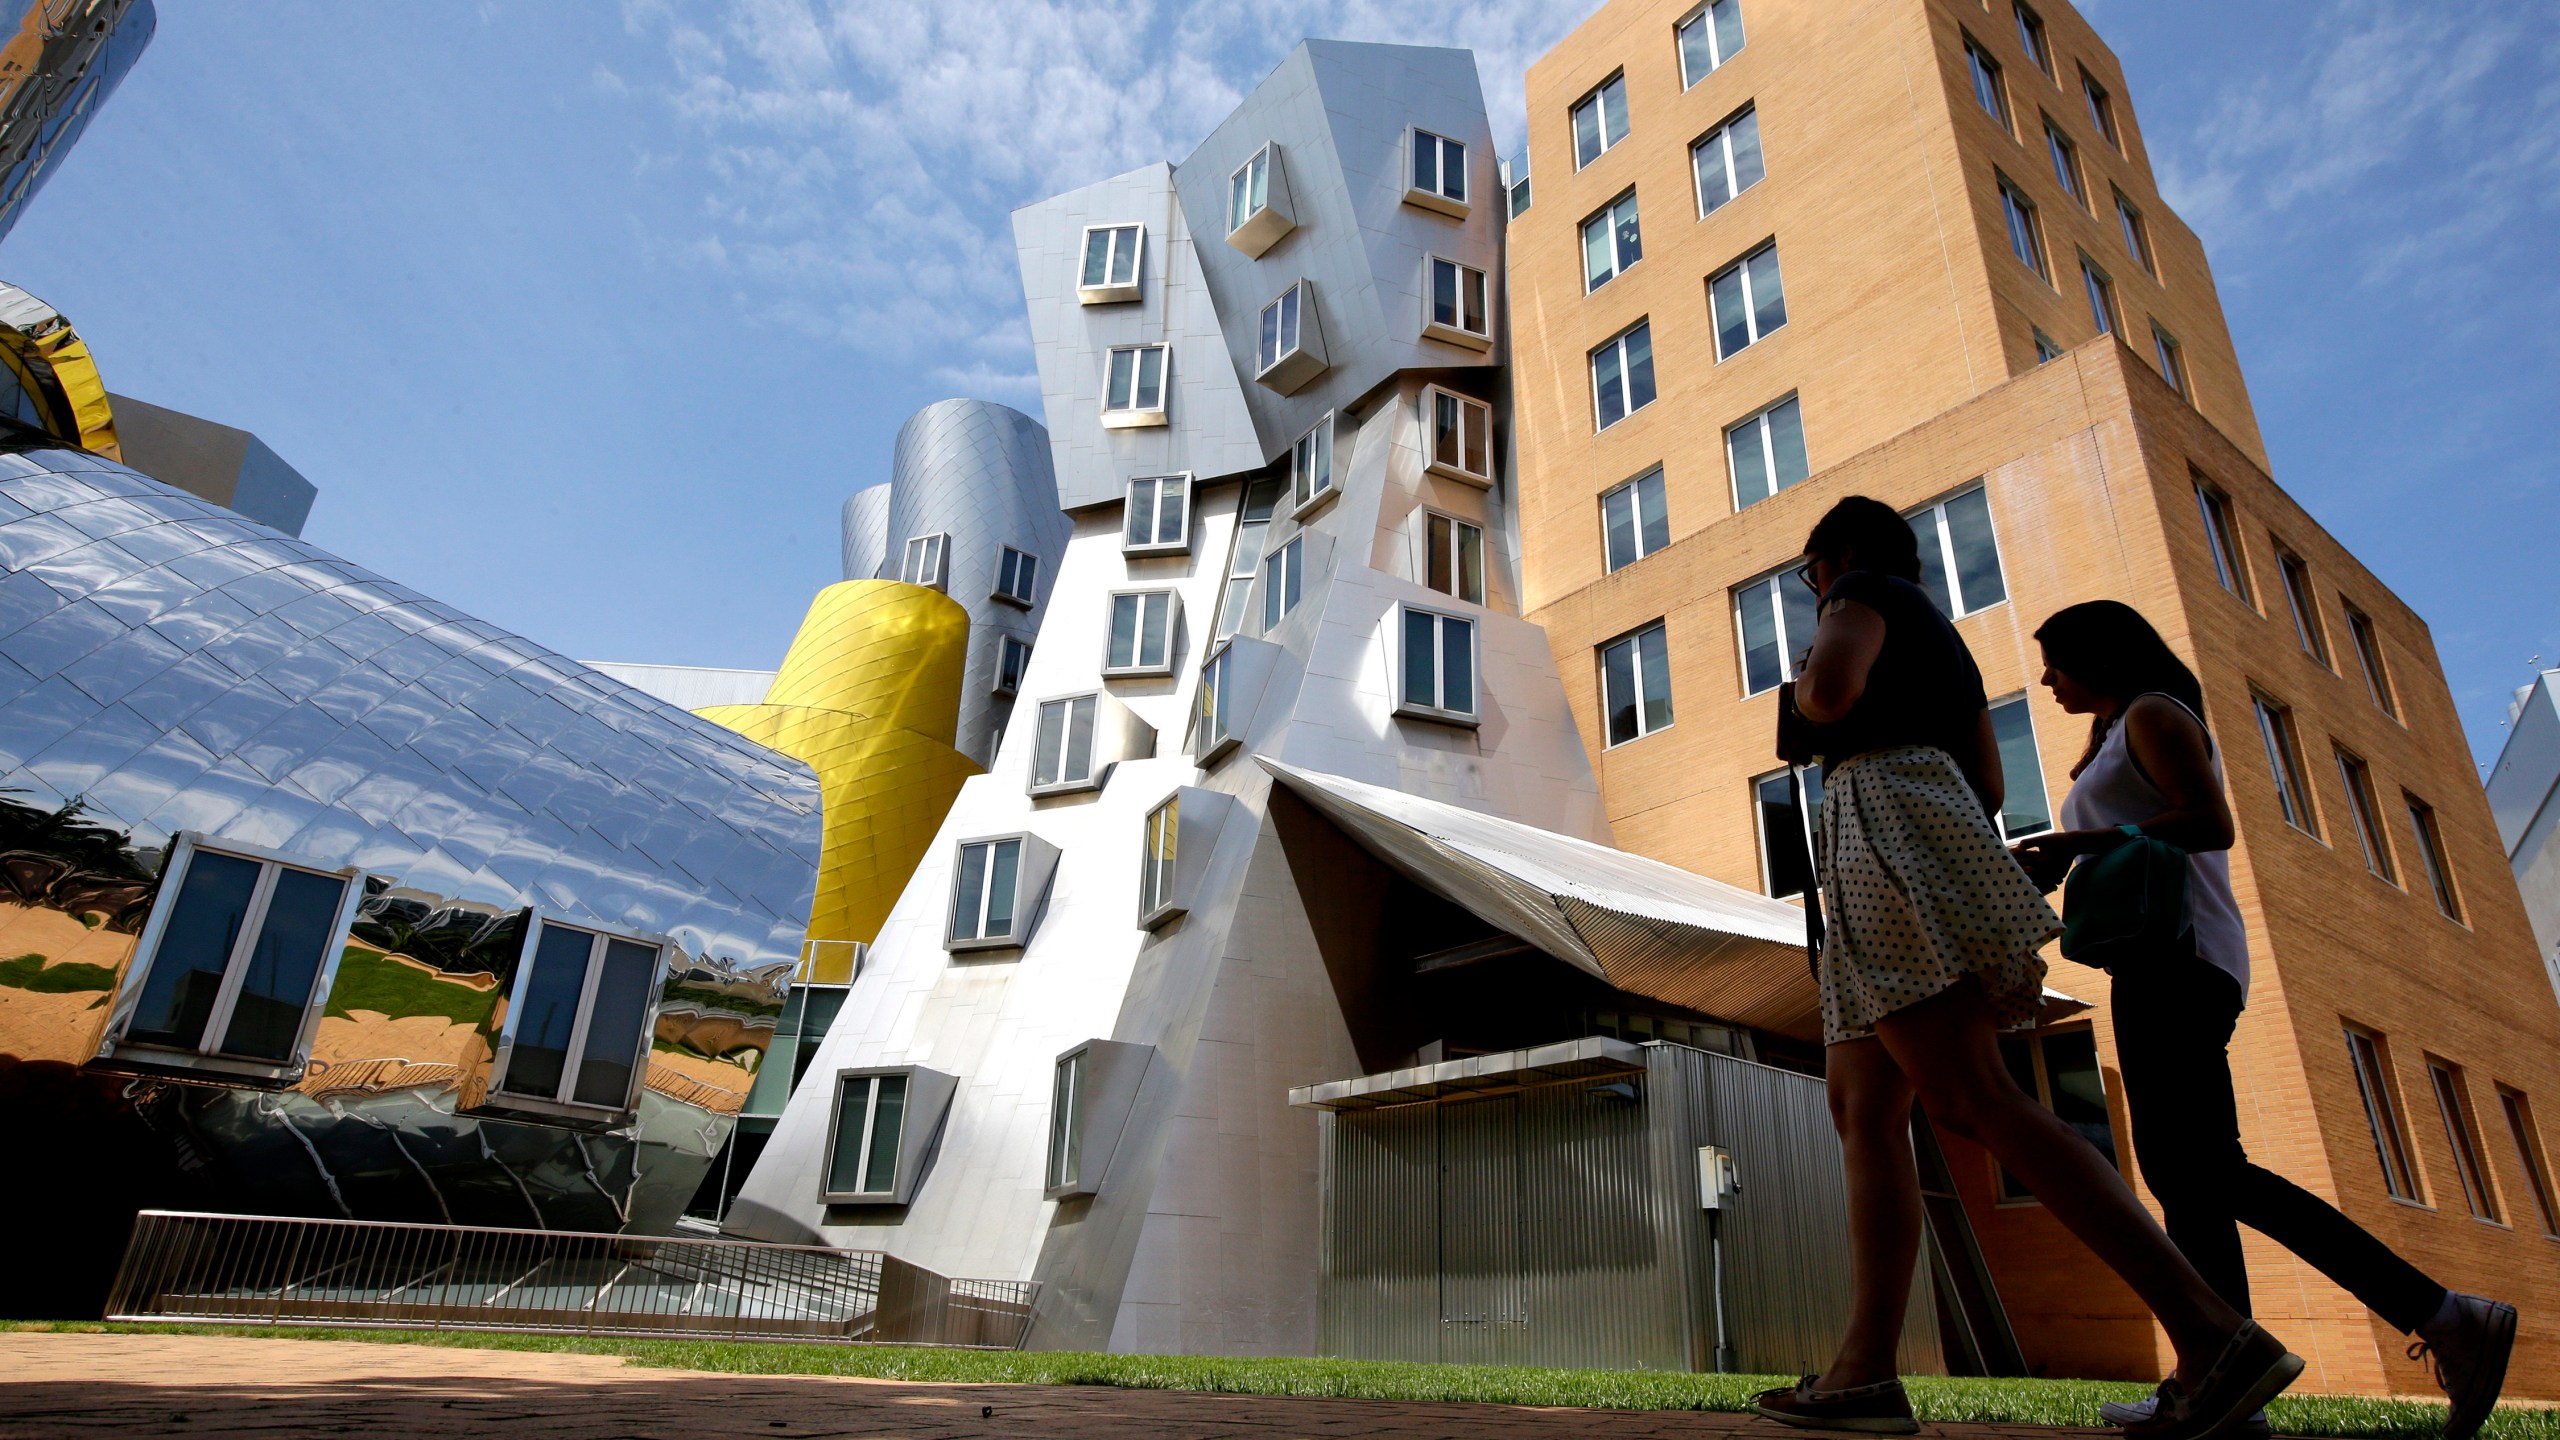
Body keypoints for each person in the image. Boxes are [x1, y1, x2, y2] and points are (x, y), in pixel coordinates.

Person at [1753, 498, 2301, 1440]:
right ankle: (1865, 1374)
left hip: (1884, 833)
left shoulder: (1861, 592)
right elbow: (1992, 787)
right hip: (1911, 833)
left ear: (1836, 556)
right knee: (1863, 1109)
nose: (1818, 594)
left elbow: (1830, 697)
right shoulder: (1945, 641)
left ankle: (2215, 1335)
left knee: (1974, 1095)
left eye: (1813, 578)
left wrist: (1803, 685)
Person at [2010, 601, 2516, 1440]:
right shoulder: (2113, 732)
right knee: (2190, 1178)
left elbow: (2212, 824)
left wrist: (2079, 846)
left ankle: (2443, 1315)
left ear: (2102, 654)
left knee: (2204, 1170)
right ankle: (2225, 1385)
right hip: (2153, 961)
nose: (2048, 678)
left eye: (2057, 660)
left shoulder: (2154, 714)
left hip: (2182, 958)